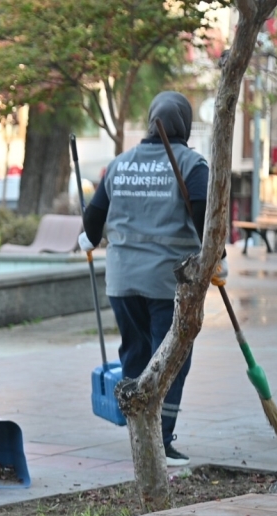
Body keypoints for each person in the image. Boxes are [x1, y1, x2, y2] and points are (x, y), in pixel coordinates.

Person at [78, 91, 227, 467]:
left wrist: (89, 238)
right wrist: (217, 259)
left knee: (137, 355)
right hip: (167, 285)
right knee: (171, 359)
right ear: (185, 125)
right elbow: (205, 215)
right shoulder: (191, 165)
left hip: (122, 283)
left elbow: (93, 220)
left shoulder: (120, 165)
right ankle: (159, 440)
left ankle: (140, 437)